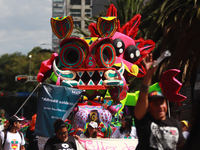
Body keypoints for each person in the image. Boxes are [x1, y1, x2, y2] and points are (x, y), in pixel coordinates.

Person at [134, 54, 185, 150]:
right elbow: (142, 96)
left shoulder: (176, 124)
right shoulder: (144, 121)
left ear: (166, 103)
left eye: (162, 102)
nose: (160, 106)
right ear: (148, 107)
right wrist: (149, 75)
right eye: (155, 104)